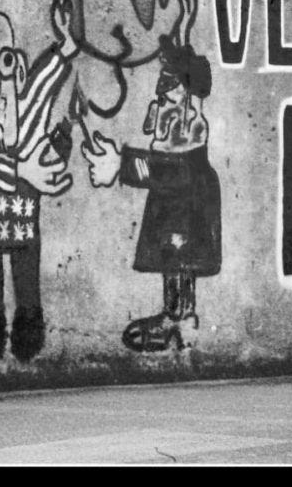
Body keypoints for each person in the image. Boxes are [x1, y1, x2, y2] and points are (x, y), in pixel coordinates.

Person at [83, 34, 221, 352]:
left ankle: (180, 318)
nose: (159, 110)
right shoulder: (174, 127)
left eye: (168, 98)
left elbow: (171, 171)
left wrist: (120, 164)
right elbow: (164, 168)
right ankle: (176, 316)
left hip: (186, 209)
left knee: (181, 259)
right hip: (174, 206)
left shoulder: (191, 150)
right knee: (173, 260)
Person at [0, 2, 76, 366]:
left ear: (19, 69)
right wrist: (27, 170)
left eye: (5, 62)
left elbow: (45, 82)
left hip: (24, 224)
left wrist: (66, 45)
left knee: (27, 284)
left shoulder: (30, 113)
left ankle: (28, 333)